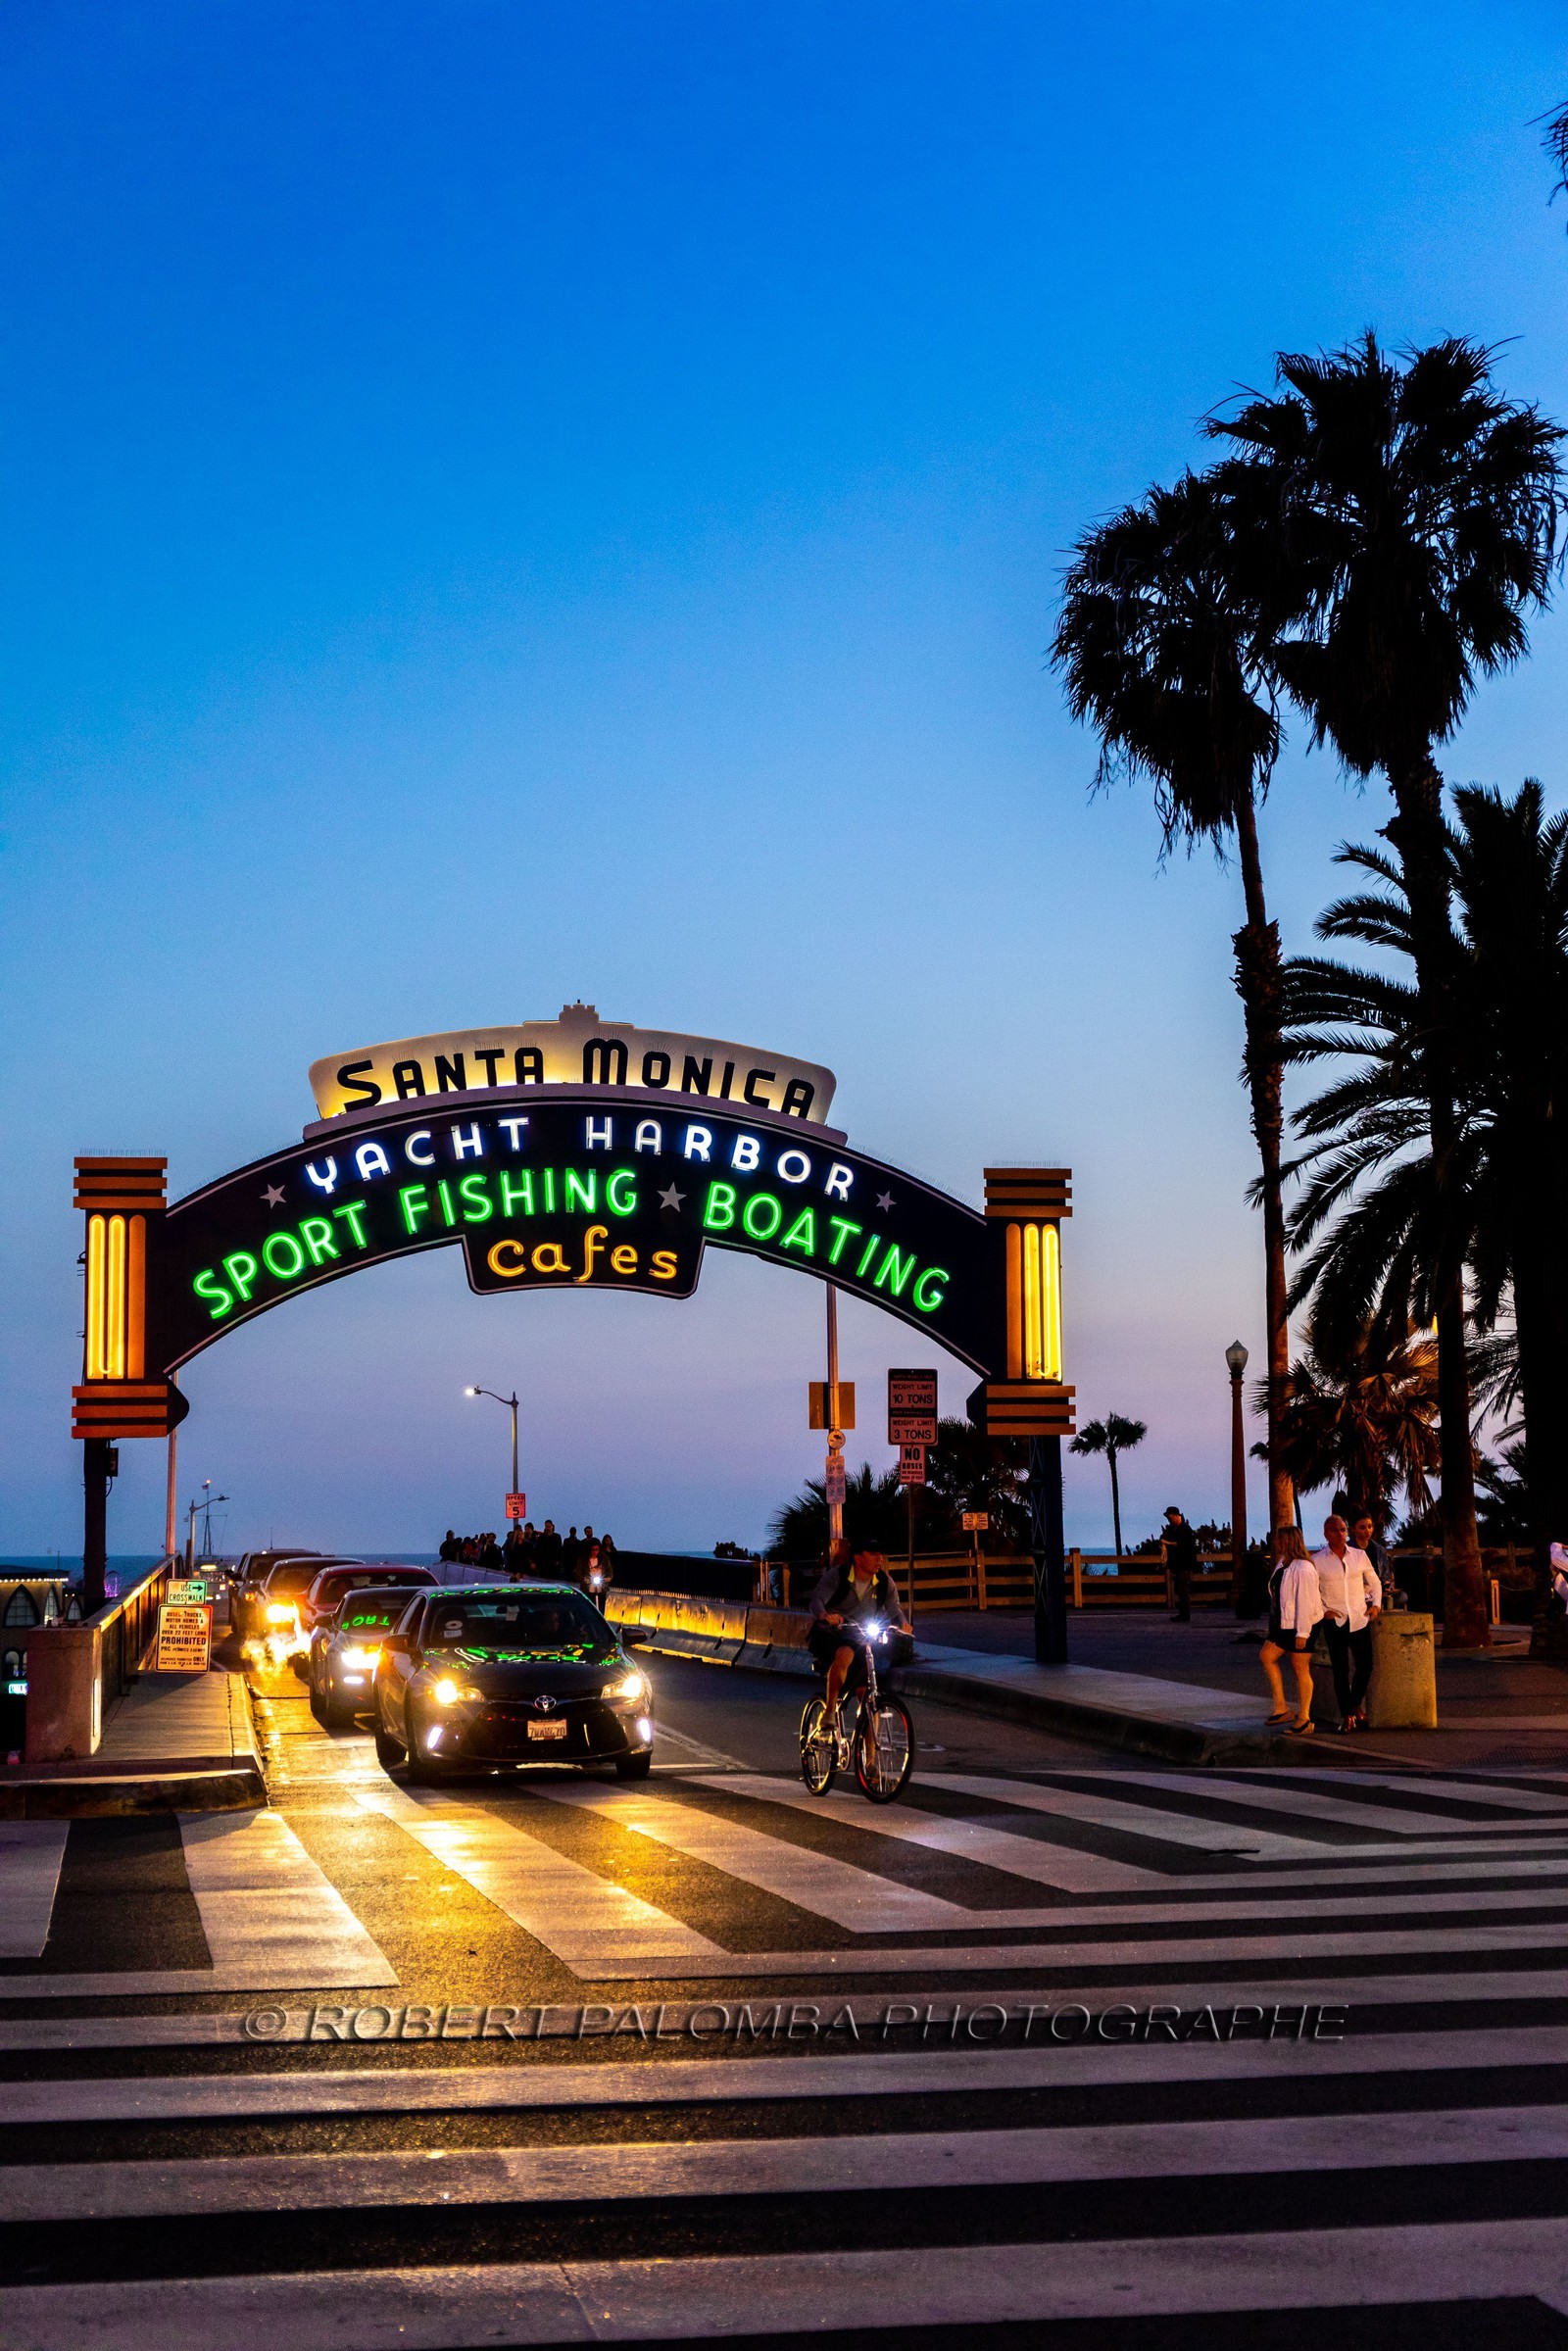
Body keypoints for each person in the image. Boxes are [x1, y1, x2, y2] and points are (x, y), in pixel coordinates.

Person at [808, 1539, 910, 1726]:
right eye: (872, 1554)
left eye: (880, 1554)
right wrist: (825, 1615)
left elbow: (895, 1610)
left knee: (868, 1696)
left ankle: (868, 1755)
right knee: (846, 1653)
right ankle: (829, 1711)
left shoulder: (885, 1583)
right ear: (858, 1558)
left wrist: (903, 1624)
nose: (879, 1558)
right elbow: (817, 1601)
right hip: (833, 1634)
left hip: (862, 1637)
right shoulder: (837, 1577)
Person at [1312, 1513, 1382, 1732]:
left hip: (1359, 1618)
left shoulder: (1359, 1556)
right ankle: (1347, 1715)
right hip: (1336, 1621)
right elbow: (1312, 1591)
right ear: (1326, 1534)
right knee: (1340, 1670)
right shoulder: (1317, 1561)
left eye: (1343, 1529)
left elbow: (1375, 1582)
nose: (1341, 1534)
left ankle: (1353, 1705)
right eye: (1335, 1530)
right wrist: (1324, 1611)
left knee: (1365, 1666)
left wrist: (1376, 1605)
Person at [1260, 1525, 1324, 1736]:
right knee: (1267, 1656)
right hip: (1285, 1623)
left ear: (1288, 1541)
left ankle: (1305, 1718)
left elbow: (1305, 1602)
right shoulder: (1284, 1563)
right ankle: (1281, 1708)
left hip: (1302, 1624)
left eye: (1279, 1540)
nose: (1275, 1543)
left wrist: (1302, 1634)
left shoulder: (1303, 1568)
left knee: (1300, 1668)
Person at [1352, 1511, 1395, 1612]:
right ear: (1354, 1529)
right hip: (1356, 1591)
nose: (1367, 1530)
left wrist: (1387, 1584)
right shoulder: (1348, 1550)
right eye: (1362, 1528)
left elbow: (1386, 1575)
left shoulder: (1379, 1550)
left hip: (1376, 1589)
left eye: (1370, 1526)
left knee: (1402, 1596)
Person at [1163, 1506, 1199, 1624]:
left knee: (1183, 1589)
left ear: (1175, 1516)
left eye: (1170, 1518)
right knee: (1181, 1589)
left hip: (1185, 1564)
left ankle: (1185, 1614)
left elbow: (1182, 1545)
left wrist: (1167, 1543)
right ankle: (1183, 1613)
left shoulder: (1185, 1529)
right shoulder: (1175, 1529)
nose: (1169, 1520)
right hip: (1179, 1565)